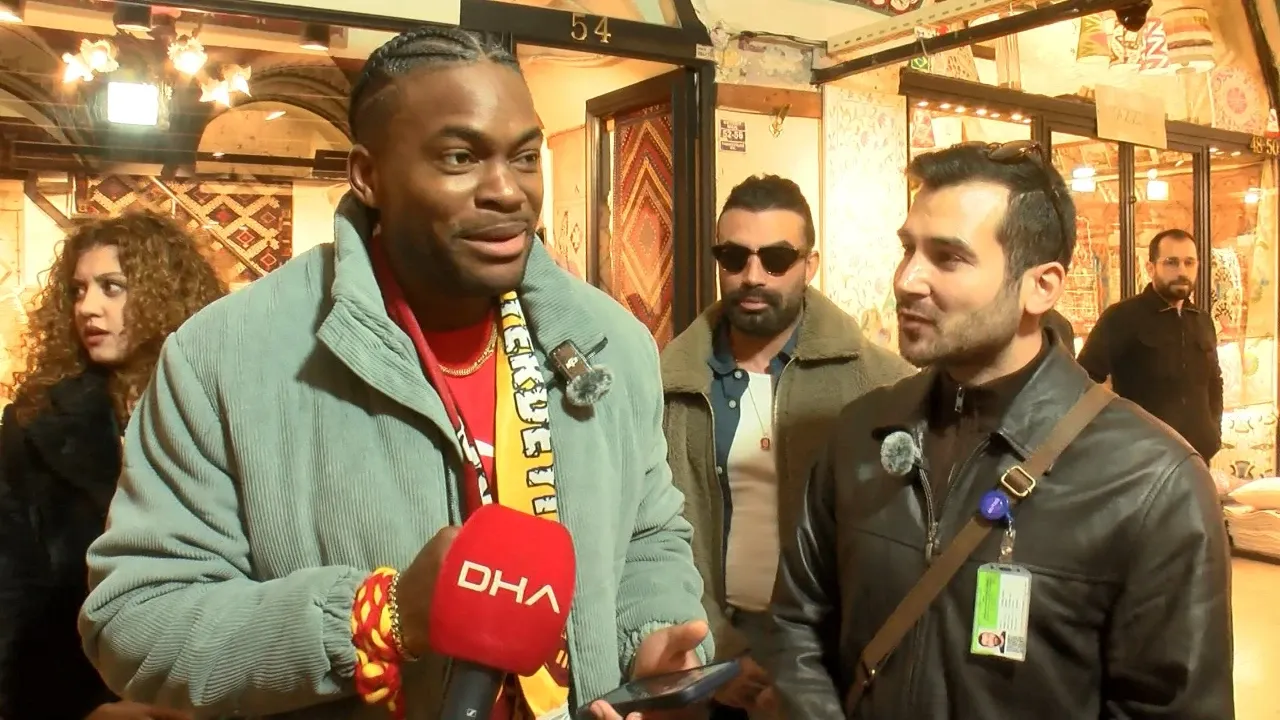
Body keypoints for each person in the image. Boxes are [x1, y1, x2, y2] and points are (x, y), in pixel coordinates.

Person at [79, 28, 711, 720]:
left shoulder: (610, 342)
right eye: (461, 157)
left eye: (526, 156)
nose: (508, 190)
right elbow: (135, 621)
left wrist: (648, 641)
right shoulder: (222, 358)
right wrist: (379, 616)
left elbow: (649, 535)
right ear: (368, 175)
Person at [766, 141, 1233, 719]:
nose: (907, 279)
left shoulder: (1154, 484)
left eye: (948, 257)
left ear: (1042, 286)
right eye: (908, 249)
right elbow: (798, 624)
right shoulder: (863, 432)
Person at [661, 175, 910, 720]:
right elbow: (654, 534)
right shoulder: (671, 382)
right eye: (734, 257)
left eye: (776, 259)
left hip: (830, 664)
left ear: (810, 264)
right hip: (705, 651)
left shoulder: (883, 385)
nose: (753, 276)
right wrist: (716, 655)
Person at [0, 211, 225, 720]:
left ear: (162, 294)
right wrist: (77, 710)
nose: (88, 307)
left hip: (210, 688)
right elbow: (13, 591)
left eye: (112, 287)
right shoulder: (35, 423)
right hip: (76, 694)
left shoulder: (223, 407)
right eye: (78, 290)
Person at [1077, 229, 1223, 460]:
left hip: (1197, 458)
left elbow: (1214, 381)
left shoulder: (1202, 320)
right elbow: (1083, 381)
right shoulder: (1122, 317)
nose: (1182, 271)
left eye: (1189, 263)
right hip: (1143, 460)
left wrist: (1213, 433)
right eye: (1171, 262)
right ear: (1150, 268)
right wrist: (1114, 440)